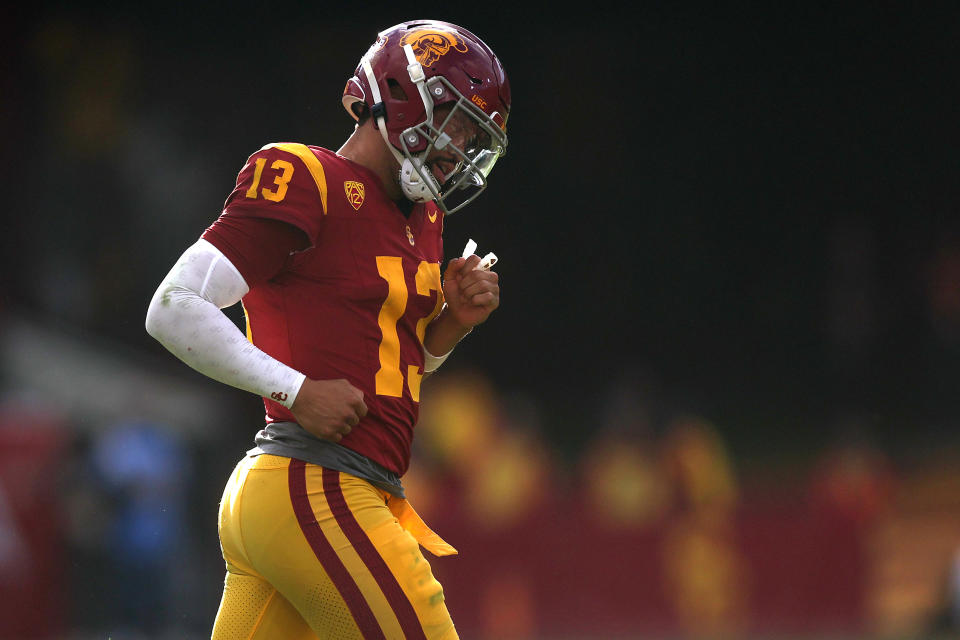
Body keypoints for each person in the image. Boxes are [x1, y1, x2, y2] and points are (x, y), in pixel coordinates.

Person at [145, 19, 510, 639]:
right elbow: (175, 305)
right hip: (316, 487)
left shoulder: (421, 218)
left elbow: (385, 366)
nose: (456, 150)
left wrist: (450, 326)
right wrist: (295, 389)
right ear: (400, 96)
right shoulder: (307, 178)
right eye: (454, 125)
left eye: (472, 139)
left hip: (309, 492)